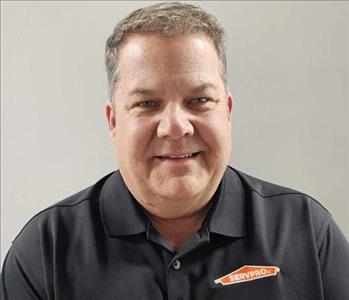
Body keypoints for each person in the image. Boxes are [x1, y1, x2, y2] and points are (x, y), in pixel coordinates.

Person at [1, 2, 348, 299]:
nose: (176, 126)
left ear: (226, 110)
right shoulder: (45, 250)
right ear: (113, 121)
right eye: (147, 103)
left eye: (198, 100)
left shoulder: (306, 232)